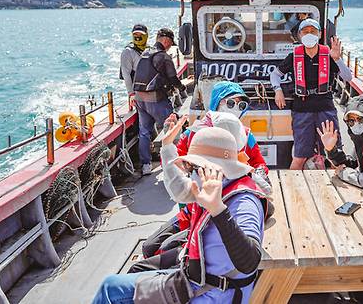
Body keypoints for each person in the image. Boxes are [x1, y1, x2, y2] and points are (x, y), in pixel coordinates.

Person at [92, 127, 267, 304]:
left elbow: (250, 262)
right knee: (134, 272)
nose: (188, 171)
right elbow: (180, 188)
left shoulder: (243, 203)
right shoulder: (218, 187)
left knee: (110, 289)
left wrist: (218, 210)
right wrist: (167, 147)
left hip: (209, 294)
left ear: (213, 169)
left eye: (192, 166)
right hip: (195, 280)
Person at [270, 18, 353, 170]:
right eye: (305, 31)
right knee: (300, 156)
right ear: (300, 35)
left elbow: (348, 77)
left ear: (320, 34)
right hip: (302, 111)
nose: (309, 34)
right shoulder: (294, 56)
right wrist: (278, 90)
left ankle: (340, 189)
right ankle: (291, 190)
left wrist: (338, 59)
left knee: (334, 153)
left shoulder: (329, 55)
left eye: (313, 31)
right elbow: (275, 75)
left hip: (325, 109)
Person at [133, 28, 186, 175]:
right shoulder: (164, 57)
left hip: (139, 98)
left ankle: (146, 165)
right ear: (166, 41)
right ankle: (172, 165)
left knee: (144, 132)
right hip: (156, 100)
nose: (169, 46)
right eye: (170, 43)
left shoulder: (145, 53)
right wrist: (182, 88)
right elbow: (173, 78)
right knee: (171, 130)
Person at [119, 24, 148, 107]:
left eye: (140, 35)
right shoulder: (128, 52)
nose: (138, 37)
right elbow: (126, 74)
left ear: (146, 36)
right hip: (137, 92)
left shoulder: (148, 49)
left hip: (149, 91)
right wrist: (131, 94)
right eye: (135, 34)